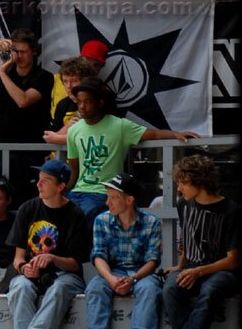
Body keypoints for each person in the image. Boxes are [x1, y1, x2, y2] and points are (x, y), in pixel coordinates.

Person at [65, 76, 200, 227]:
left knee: (84, 216)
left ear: (100, 102)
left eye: (88, 101)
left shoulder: (119, 126)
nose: (82, 106)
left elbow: (154, 134)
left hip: (102, 192)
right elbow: (75, 171)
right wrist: (62, 192)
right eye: (79, 102)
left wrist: (175, 134)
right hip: (78, 192)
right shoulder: (74, 131)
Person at [6, 160, 90, 329]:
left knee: (60, 288)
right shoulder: (28, 209)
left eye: (46, 181)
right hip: (31, 276)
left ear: (61, 186)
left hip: (65, 275)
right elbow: (18, 258)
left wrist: (52, 258)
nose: (39, 185)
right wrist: (25, 269)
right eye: (39, 180)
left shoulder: (76, 214)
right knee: (19, 288)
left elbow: (75, 263)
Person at [163, 155, 240, 329]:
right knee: (169, 288)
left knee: (210, 291)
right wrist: (181, 266)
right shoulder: (184, 204)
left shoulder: (231, 210)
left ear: (200, 181)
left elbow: (233, 260)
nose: (178, 189)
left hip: (222, 271)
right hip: (193, 267)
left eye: (182, 183)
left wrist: (198, 271)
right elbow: (188, 238)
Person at [0, 28, 54, 208]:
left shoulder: (43, 77)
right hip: (2, 144)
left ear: (34, 51)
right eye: (15, 51)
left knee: (26, 200)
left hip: (30, 149)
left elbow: (23, 100)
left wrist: (3, 74)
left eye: (23, 52)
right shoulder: (3, 71)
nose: (18, 56)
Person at [84, 173, 162, 329]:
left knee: (150, 289)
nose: (107, 202)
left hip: (140, 273)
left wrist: (134, 278)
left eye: (113, 197)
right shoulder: (101, 220)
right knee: (95, 287)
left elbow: (153, 260)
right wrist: (111, 279)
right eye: (107, 196)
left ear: (129, 200)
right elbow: (98, 256)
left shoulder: (151, 222)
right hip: (112, 271)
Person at [42, 56, 100, 146]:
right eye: (65, 81)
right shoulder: (62, 104)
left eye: (74, 81)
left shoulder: (99, 101)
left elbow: (99, 136)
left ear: (86, 81)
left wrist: (59, 138)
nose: (69, 86)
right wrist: (66, 127)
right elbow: (49, 138)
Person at [48, 39, 108, 117]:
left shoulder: (103, 93)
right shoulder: (55, 79)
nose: (90, 66)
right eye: (87, 61)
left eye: (96, 65)